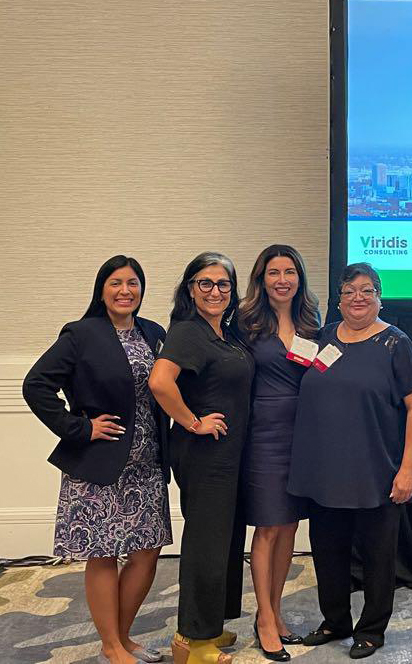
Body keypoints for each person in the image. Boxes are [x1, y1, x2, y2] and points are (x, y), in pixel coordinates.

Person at [22, 255, 171, 664]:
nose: (126, 291)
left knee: (146, 552)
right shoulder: (81, 334)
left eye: (134, 283)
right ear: (101, 289)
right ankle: (110, 646)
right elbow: (36, 385)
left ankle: (123, 637)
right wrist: (80, 428)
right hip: (98, 466)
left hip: (148, 464)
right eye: (116, 283)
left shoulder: (154, 333)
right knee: (103, 552)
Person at [287, 262, 412, 660]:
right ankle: (334, 621)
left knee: (378, 558)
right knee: (327, 552)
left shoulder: (396, 344)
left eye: (367, 291)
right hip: (324, 472)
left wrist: (407, 469)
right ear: (338, 299)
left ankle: (371, 629)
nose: (358, 299)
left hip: (376, 472)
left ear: (380, 297)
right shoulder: (324, 337)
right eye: (349, 292)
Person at [148, 252, 253, 664]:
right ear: (190, 289)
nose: (215, 291)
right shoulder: (189, 331)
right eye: (205, 283)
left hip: (230, 454)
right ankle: (193, 641)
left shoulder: (223, 333)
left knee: (224, 541)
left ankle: (210, 625)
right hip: (205, 455)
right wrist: (193, 422)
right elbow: (160, 382)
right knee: (206, 544)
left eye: (223, 284)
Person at [238, 244, 320, 661]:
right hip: (262, 435)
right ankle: (265, 618)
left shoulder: (311, 320)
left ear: (299, 278)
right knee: (268, 526)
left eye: (290, 271)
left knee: (289, 526)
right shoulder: (245, 320)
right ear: (261, 278)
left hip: (302, 435)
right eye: (274, 272)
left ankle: (276, 609)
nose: (282, 279)